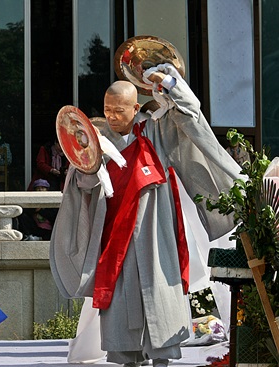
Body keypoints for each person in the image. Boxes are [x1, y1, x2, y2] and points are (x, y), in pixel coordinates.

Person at [50, 64, 244, 367]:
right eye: (107, 110)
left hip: (156, 233)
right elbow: (83, 182)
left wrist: (168, 82)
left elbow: (190, 112)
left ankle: (162, 361)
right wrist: (87, 167)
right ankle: (128, 360)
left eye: (119, 111)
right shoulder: (97, 139)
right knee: (123, 301)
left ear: (135, 108)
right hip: (115, 237)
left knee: (160, 297)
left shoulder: (155, 130)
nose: (112, 116)